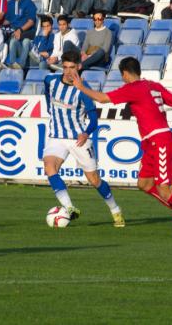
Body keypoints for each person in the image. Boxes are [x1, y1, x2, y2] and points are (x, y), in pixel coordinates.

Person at [72, 56, 172, 232]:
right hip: (152, 143)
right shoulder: (153, 86)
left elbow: (103, 99)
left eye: (122, 76)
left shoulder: (133, 88)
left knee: (165, 190)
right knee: (144, 184)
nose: (122, 79)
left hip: (160, 142)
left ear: (125, 74)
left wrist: (82, 87)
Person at [43, 51, 125, 227]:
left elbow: (94, 119)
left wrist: (86, 133)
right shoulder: (50, 81)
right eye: (65, 67)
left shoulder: (83, 90)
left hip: (78, 139)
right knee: (49, 166)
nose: (68, 71)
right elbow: (47, 97)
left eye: (72, 67)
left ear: (79, 67)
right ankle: (70, 208)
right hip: (56, 136)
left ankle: (115, 210)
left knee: (94, 180)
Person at [5, 0, 38, 69]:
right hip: (14, 31)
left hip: (27, 32)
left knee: (23, 40)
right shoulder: (10, 3)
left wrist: (20, 30)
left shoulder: (29, 3)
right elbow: (8, 20)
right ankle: (11, 63)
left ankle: (20, 65)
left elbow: (31, 22)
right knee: (12, 40)